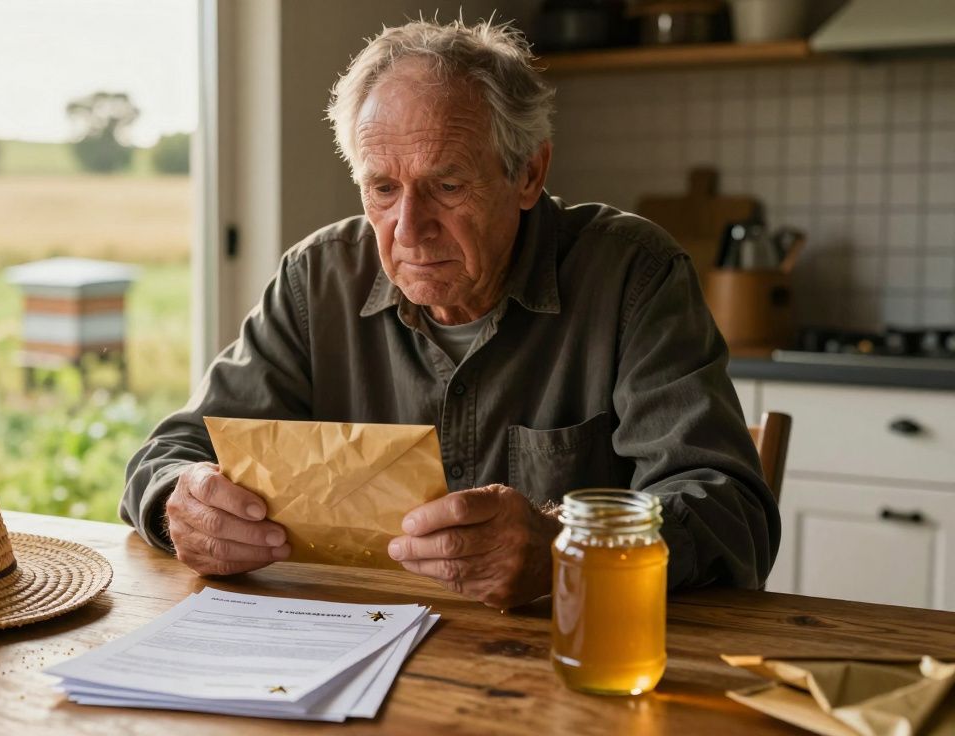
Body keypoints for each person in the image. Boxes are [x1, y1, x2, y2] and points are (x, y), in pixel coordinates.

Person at [120, 18, 779, 609]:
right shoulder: (316, 279)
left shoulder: (632, 274)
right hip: (352, 656)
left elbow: (730, 512)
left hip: (567, 661)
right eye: (382, 188)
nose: (409, 227)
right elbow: (170, 454)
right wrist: (181, 502)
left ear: (529, 175)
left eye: (447, 185)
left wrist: (565, 548)